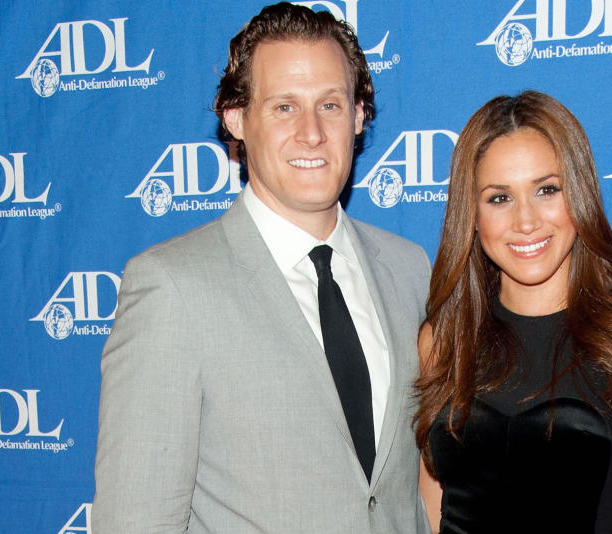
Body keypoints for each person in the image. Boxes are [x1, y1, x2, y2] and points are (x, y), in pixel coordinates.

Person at [91, 4, 432, 532]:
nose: (312, 132)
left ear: (360, 115)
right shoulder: (172, 287)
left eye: (331, 104)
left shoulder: (409, 270)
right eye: (284, 107)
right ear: (235, 119)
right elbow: (135, 519)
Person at [414, 91, 612, 533]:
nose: (526, 221)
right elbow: (433, 516)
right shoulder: (443, 339)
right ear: (471, 214)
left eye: (547, 190)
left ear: (580, 196)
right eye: (499, 198)